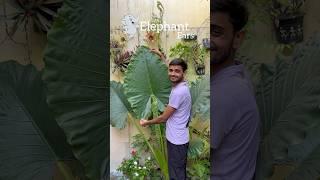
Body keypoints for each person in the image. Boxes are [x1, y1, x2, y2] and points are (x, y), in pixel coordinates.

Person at [211, 0, 260, 179]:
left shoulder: (224, 93)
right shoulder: (237, 74)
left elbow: (190, 155)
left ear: (237, 38)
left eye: (216, 31)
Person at [140, 58, 191, 180]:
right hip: (179, 138)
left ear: (183, 73)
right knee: (179, 170)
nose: (173, 73)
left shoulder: (179, 92)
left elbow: (164, 118)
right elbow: (173, 67)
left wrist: (147, 122)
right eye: (170, 70)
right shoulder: (183, 85)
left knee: (176, 174)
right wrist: (161, 56)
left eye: (177, 71)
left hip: (177, 141)